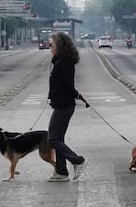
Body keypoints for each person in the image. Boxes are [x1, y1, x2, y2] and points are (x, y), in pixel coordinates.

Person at [46, 31, 87, 182]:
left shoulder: (63, 63)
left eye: (51, 45)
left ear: (59, 46)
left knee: (52, 138)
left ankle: (77, 161)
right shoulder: (61, 61)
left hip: (64, 105)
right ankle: (61, 172)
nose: (49, 47)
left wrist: (76, 94)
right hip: (63, 103)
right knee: (59, 139)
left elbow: (67, 85)